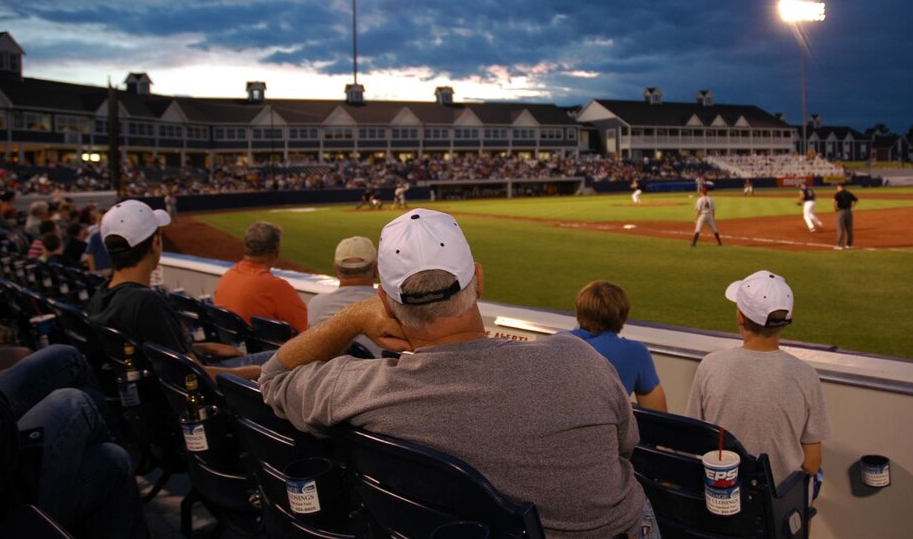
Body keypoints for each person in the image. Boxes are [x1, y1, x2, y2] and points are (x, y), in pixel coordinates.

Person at [260, 209, 655, 538]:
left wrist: (354, 318)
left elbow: (274, 376)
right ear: (478, 280)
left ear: (384, 300)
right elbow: (626, 447)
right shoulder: (578, 359)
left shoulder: (361, 389)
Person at [87, 200, 271, 380]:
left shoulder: (100, 295)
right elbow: (195, 376)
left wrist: (205, 347)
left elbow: (156, 351)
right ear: (154, 244)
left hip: (147, 386)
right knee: (280, 360)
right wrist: (257, 371)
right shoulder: (145, 303)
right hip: (202, 389)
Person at [685, 270, 831, 489]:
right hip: (779, 508)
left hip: (720, 496)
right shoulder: (806, 375)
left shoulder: (710, 365)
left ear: (741, 317)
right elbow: (811, 463)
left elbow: (694, 440)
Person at [0, 345, 148, 538]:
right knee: (75, 402)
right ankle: (133, 444)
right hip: (6, 501)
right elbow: (4, 440)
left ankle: (126, 448)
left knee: (112, 458)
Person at [569, 280, 667, 411]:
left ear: (579, 312)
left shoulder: (557, 341)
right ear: (623, 316)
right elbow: (658, 414)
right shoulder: (635, 353)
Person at [213, 221, 307, 332]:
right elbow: (307, 331)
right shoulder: (277, 288)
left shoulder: (227, 277)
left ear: (245, 248)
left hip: (235, 345)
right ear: (275, 252)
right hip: (266, 349)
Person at [306, 236, 380, 353]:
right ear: (376, 269)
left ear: (336, 270)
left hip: (325, 370)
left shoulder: (315, 304)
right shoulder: (389, 306)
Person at [833, 183, 858, 250]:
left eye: (837, 187)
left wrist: (835, 209)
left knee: (840, 228)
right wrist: (852, 207)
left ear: (840, 187)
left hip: (841, 212)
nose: (837, 188)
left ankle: (840, 246)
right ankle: (849, 245)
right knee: (849, 229)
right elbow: (856, 200)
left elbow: (834, 202)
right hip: (849, 212)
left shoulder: (837, 194)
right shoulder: (849, 193)